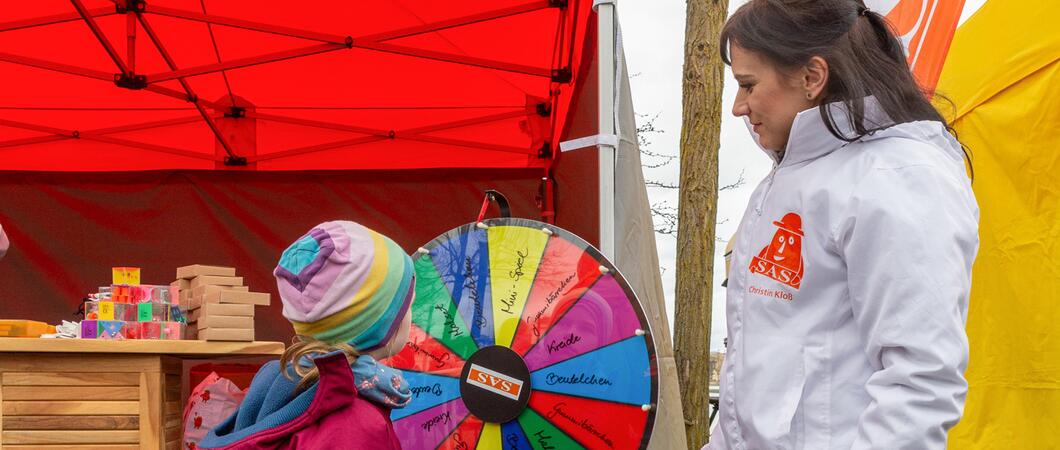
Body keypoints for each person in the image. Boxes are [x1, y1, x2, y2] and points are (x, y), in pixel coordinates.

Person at [708, 1, 979, 449]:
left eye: (748, 85)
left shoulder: (897, 176)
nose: (739, 107)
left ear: (812, 77)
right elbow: (753, 376)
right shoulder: (785, 179)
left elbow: (920, 384)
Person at [200, 220, 416, 449]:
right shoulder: (355, 425)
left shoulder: (282, 383)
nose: (411, 314)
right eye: (408, 304)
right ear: (381, 324)